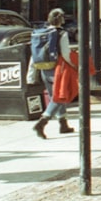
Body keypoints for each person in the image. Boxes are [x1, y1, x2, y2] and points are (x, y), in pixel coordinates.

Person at [30, 8, 76, 139]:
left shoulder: (39, 33)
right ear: (61, 19)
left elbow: (33, 55)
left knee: (53, 96)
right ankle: (42, 122)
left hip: (44, 68)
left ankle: (63, 124)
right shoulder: (61, 34)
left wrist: (31, 73)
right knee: (59, 97)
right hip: (58, 69)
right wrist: (73, 65)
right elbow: (66, 54)